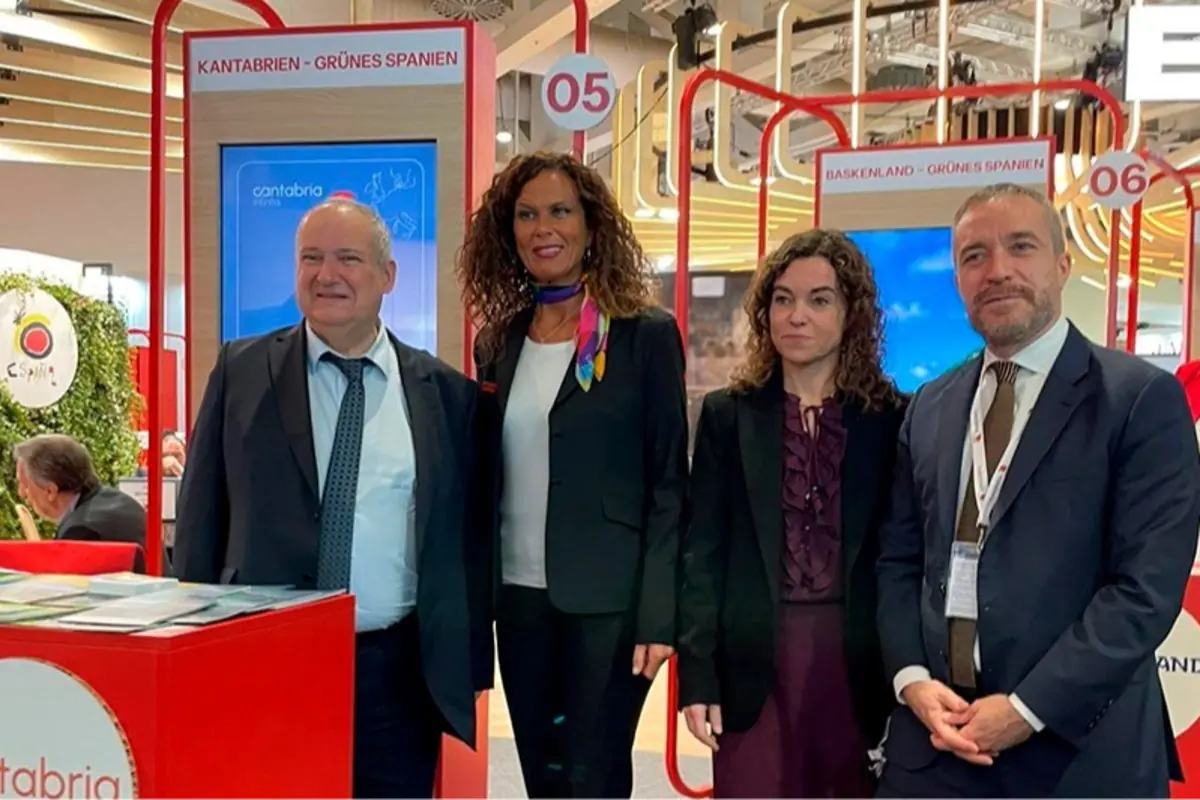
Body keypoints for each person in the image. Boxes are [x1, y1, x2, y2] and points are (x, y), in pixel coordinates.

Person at [875, 182, 1200, 797]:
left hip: (1077, 750)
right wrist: (911, 678)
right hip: (938, 743)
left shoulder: (1138, 400)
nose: (997, 271)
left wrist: (1025, 709)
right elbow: (898, 560)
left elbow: (1143, 591)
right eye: (974, 256)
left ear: (1062, 264)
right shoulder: (931, 408)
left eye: (1020, 247)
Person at [173, 197, 490, 799]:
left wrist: (468, 664)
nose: (327, 275)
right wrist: (193, 644)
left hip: (393, 674)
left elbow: (463, 541)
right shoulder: (241, 371)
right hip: (264, 660)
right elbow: (199, 521)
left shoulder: (445, 395)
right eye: (311, 258)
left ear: (388, 276)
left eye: (348, 258)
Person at [458, 151, 688, 798]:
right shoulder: (498, 340)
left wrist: (658, 615)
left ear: (591, 226)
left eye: (560, 211)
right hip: (520, 602)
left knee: (594, 777)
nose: (543, 228)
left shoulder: (644, 335)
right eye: (527, 215)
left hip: (610, 606)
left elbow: (670, 485)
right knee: (543, 777)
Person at [677, 229, 905, 798]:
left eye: (818, 299)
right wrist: (697, 675)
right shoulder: (728, 417)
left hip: (854, 663)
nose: (796, 315)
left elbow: (905, 558)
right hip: (751, 658)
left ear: (851, 314)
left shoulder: (891, 418)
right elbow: (701, 553)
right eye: (783, 299)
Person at [13, 433, 150, 569]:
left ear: (50, 491)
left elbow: (65, 587)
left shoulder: (81, 531)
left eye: (24, 485)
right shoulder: (121, 501)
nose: (21, 494)